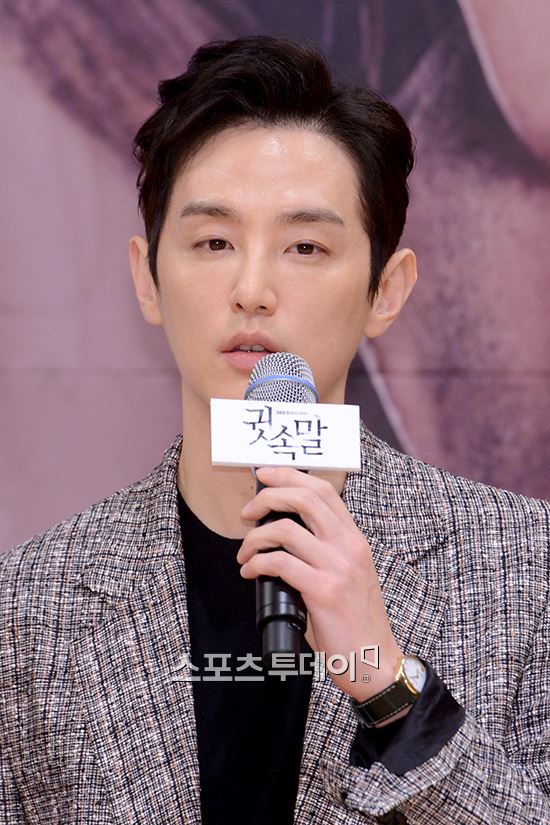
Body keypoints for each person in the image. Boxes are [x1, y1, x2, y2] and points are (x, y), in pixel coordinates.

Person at [1, 35, 549, 825]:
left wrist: (389, 686)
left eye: (305, 246)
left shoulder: (524, 569)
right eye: (214, 242)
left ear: (387, 289)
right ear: (147, 277)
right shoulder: (29, 605)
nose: (252, 288)